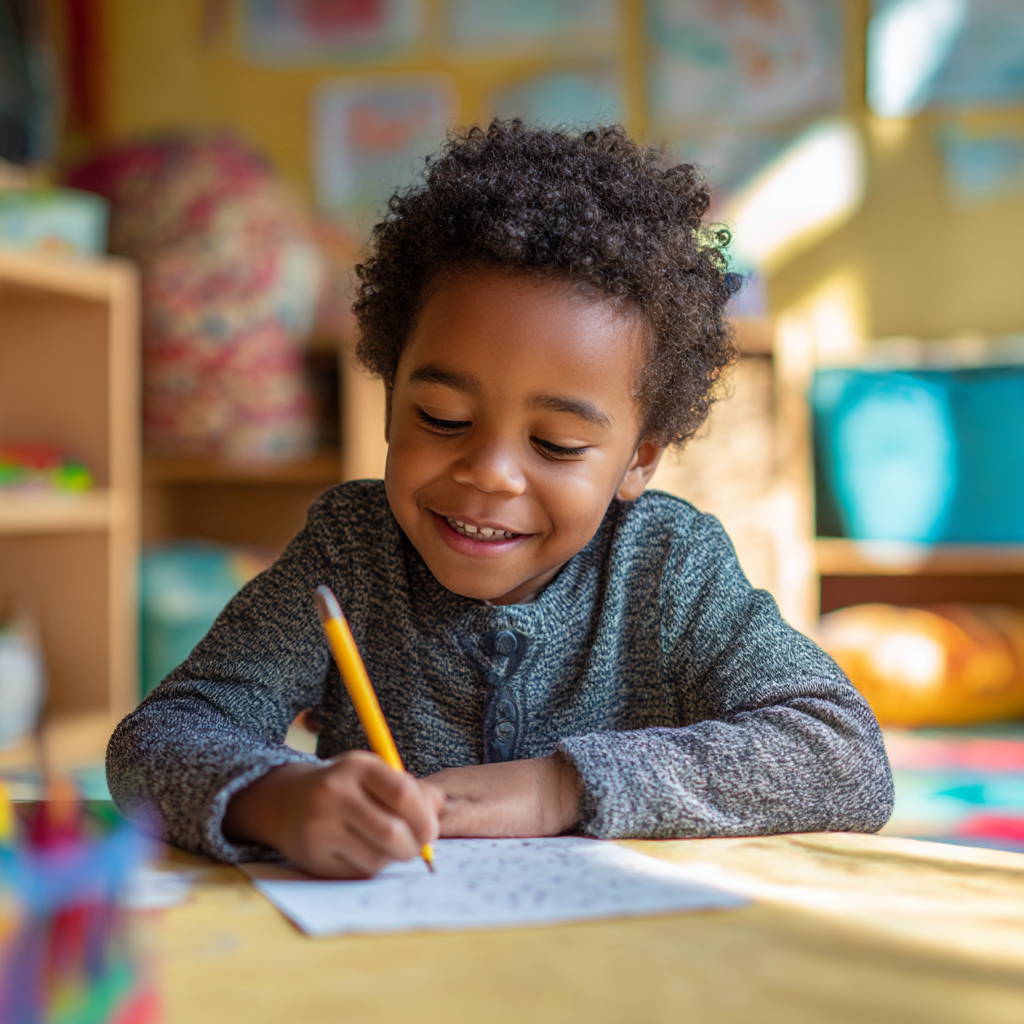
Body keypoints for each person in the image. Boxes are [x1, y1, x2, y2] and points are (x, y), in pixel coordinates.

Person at [107, 121, 893, 878]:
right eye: (442, 419)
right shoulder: (350, 549)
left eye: (554, 444)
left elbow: (845, 757)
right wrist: (274, 798)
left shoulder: (668, 568)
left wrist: (560, 787)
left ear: (638, 460)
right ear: (389, 404)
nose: (490, 474)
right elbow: (158, 738)